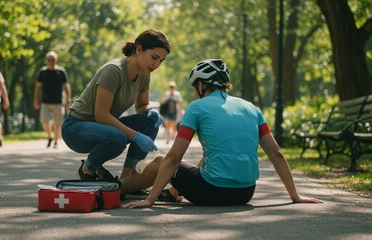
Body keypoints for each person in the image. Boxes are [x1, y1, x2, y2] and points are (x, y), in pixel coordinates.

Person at [123, 59, 323, 208]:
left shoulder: (197, 107)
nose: (195, 92)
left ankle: (118, 188)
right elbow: (276, 153)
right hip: (245, 193)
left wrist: (149, 200)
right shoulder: (252, 108)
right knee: (211, 153)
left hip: (211, 192)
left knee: (159, 160)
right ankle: (172, 192)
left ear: (201, 85)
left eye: (195, 87)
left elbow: (174, 157)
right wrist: (295, 196)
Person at [62, 29, 170, 184]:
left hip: (102, 127)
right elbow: (101, 115)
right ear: (138, 49)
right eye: (154, 57)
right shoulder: (114, 70)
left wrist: (151, 111)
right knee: (117, 138)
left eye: (161, 60)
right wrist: (136, 136)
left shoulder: (145, 74)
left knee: (150, 121)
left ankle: (127, 181)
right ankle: (87, 169)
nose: (157, 64)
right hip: (75, 128)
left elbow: (142, 106)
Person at [34, 51, 72, 149]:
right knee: (45, 122)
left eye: (53, 59)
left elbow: (67, 86)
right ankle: (49, 136)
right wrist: (36, 99)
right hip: (45, 102)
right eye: (49, 59)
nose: (51, 61)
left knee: (57, 123)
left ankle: (55, 141)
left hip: (58, 102)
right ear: (46, 60)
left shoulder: (61, 71)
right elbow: (38, 87)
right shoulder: (42, 72)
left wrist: (68, 100)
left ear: (56, 60)